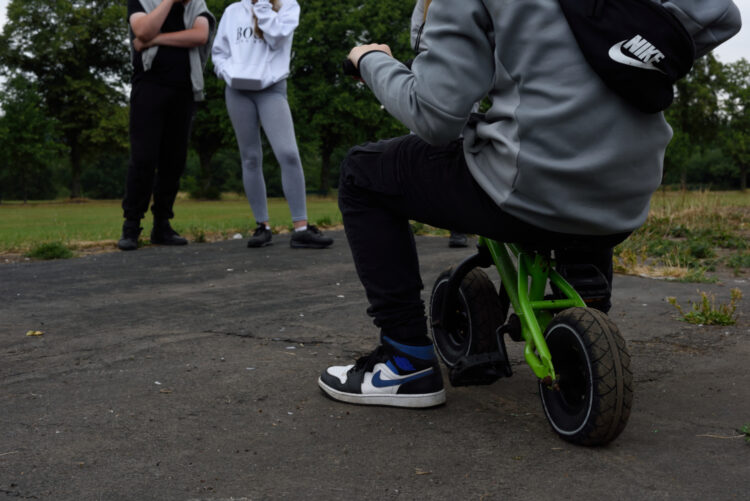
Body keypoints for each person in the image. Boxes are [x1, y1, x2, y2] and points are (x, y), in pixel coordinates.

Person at [318, 0, 741, 408]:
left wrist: (369, 59)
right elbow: (721, 13)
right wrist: (636, 53)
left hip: (530, 187)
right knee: (577, 147)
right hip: (628, 190)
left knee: (363, 173)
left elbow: (435, 116)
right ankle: (583, 279)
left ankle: (404, 360)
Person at [211, 0, 333, 249]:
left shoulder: (288, 6)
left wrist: (263, 8)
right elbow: (219, 52)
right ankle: (262, 227)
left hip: (271, 88)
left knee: (288, 153)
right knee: (250, 157)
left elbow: (277, 37)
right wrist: (227, 71)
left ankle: (301, 228)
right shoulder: (233, 11)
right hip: (237, 90)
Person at [118, 0, 216, 251]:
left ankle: (162, 225)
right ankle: (131, 226)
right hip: (149, 85)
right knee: (143, 158)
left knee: (174, 160)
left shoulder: (196, 4)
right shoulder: (142, 1)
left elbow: (200, 35)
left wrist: (156, 40)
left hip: (184, 89)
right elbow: (142, 31)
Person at [410, 0, 468, 249]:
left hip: (466, 73)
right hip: (433, 71)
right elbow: (416, 37)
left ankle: (459, 225)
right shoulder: (424, 2)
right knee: (419, 143)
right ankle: (415, 212)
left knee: (460, 147)